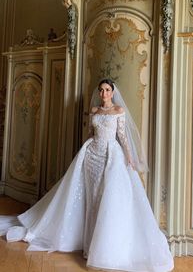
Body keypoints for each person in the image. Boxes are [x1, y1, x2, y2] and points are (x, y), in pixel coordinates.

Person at [0, 79, 174, 272]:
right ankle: (88, 243)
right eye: (101, 90)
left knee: (105, 198)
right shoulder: (94, 111)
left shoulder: (118, 111)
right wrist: (84, 151)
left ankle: (101, 247)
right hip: (91, 156)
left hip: (111, 155)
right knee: (90, 198)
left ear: (113, 92)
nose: (104, 93)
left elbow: (123, 136)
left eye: (107, 90)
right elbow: (90, 133)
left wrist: (129, 157)